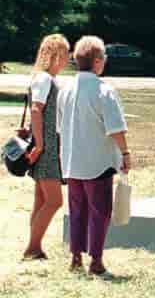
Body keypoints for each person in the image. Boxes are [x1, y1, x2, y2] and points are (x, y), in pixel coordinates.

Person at [57, 35, 132, 276]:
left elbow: (60, 127)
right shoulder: (104, 90)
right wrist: (125, 152)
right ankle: (96, 260)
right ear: (98, 61)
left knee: (77, 209)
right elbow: (115, 128)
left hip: (71, 160)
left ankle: (76, 257)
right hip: (97, 162)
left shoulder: (65, 89)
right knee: (100, 211)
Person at [23, 33, 71, 260]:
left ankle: (35, 247)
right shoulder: (44, 79)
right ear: (55, 55)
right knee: (54, 201)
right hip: (47, 147)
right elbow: (36, 110)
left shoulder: (43, 78)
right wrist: (41, 145)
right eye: (65, 53)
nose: (68, 59)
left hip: (47, 145)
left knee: (42, 200)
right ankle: (32, 248)